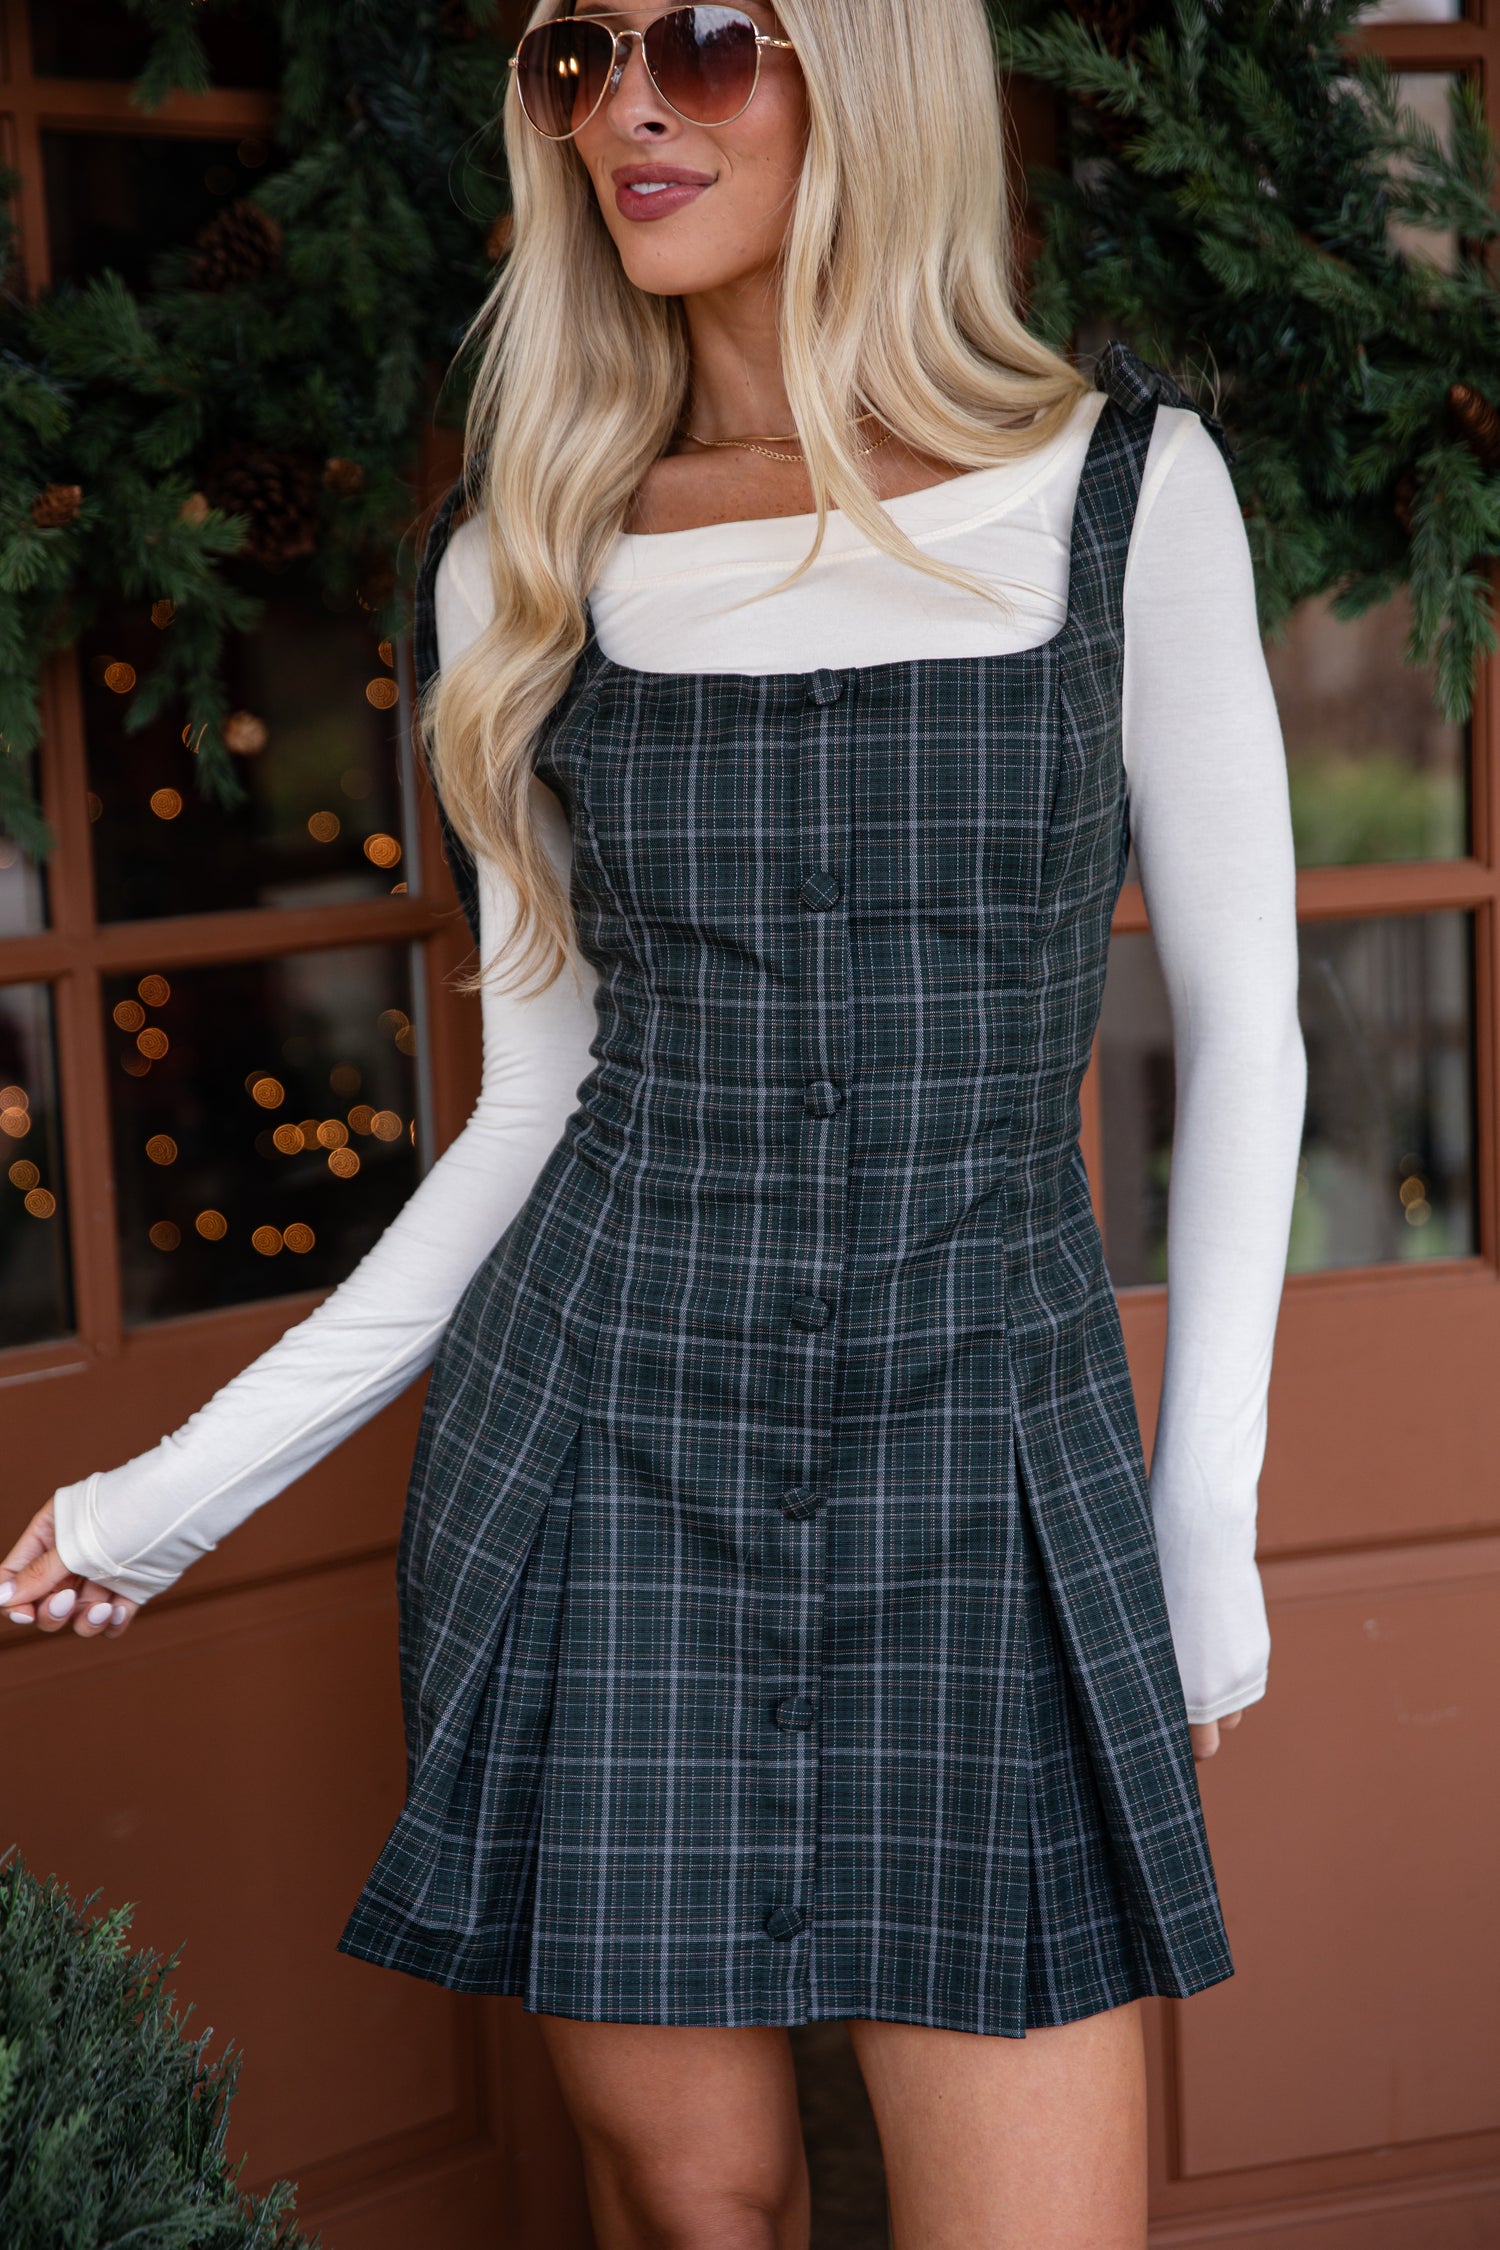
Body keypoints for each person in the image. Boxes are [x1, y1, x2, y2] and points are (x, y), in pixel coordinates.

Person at [2, 2, 1307, 2241]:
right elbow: (534, 1110)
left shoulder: (1125, 493)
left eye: (707, 38)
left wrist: (1202, 1522)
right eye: (574, 51)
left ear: (870, 69)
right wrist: (171, 1495)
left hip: (988, 1451)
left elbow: (1253, 1034)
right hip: (610, 1451)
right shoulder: (532, 549)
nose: (628, 105)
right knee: (697, 2208)